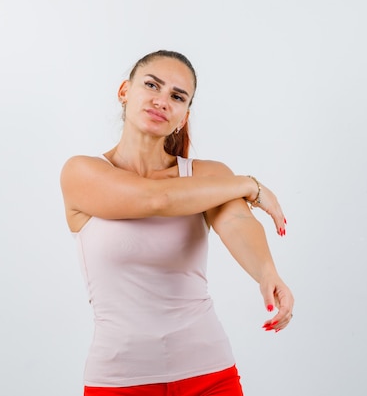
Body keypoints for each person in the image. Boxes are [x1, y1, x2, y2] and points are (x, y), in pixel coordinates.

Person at [59, 50, 294, 396]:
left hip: (211, 373)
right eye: (152, 85)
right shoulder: (82, 172)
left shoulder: (208, 176)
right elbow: (155, 199)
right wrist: (249, 184)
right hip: (120, 379)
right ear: (125, 91)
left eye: (177, 96)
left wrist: (267, 273)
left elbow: (237, 220)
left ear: (184, 116)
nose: (162, 100)